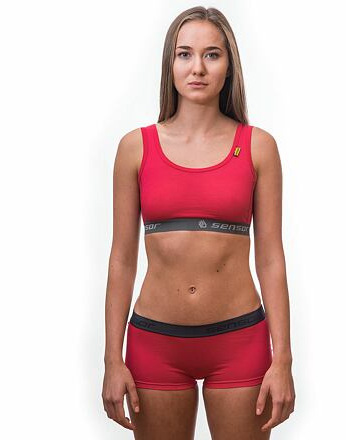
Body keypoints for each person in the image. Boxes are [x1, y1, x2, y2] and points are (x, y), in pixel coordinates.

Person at [102, 6, 295, 439]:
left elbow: (271, 259)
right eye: (184, 54)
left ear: (229, 66)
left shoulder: (258, 147)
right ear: (169, 64)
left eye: (212, 55)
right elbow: (121, 260)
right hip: (155, 343)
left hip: (240, 340)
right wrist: (112, 358)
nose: (198, 68)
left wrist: (282, 358)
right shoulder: (135, 148)